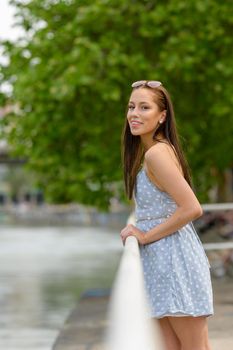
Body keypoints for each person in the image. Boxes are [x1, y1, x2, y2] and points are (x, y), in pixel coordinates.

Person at [120, 80, 213, 350]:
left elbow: (192, 208)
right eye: (131, 107)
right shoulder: (153, 152)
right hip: (163, 263)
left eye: (144, 107)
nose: (134, 114)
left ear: (162, 116)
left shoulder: (157, 154)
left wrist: (145, 235)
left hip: (175, 263)